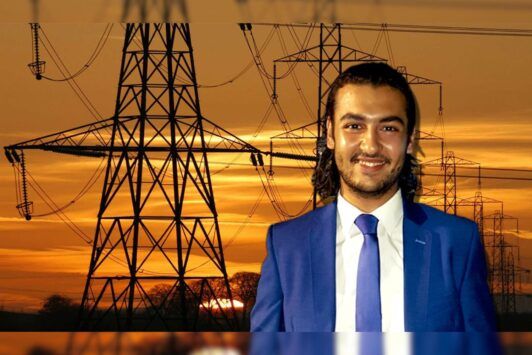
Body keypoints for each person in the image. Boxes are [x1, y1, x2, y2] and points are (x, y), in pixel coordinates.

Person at [250, 62, 496, 331]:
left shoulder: (457, 242)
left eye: (388, 128)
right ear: (330, 133)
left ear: (410, 139)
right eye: (354, 126)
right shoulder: (287, 245)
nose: (371, 145)